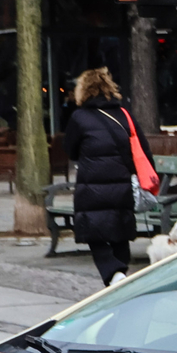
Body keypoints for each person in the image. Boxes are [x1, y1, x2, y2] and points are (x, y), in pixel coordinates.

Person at [61, 68, 141, 285]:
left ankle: (113, 273)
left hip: (92, 186)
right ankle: (120, 274)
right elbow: (140, 148)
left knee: (93, 232)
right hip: (122, 184)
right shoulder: (124, 114)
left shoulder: (79, 118)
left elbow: (70, 149)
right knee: (120, 231)